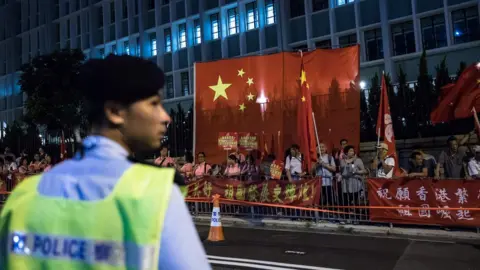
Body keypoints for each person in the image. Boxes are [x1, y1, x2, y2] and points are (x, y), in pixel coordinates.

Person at [0, 55, 210, 269]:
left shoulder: (23, 196)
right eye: (154, 104)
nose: (166, 117)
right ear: (115, 112)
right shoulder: (153, 192)